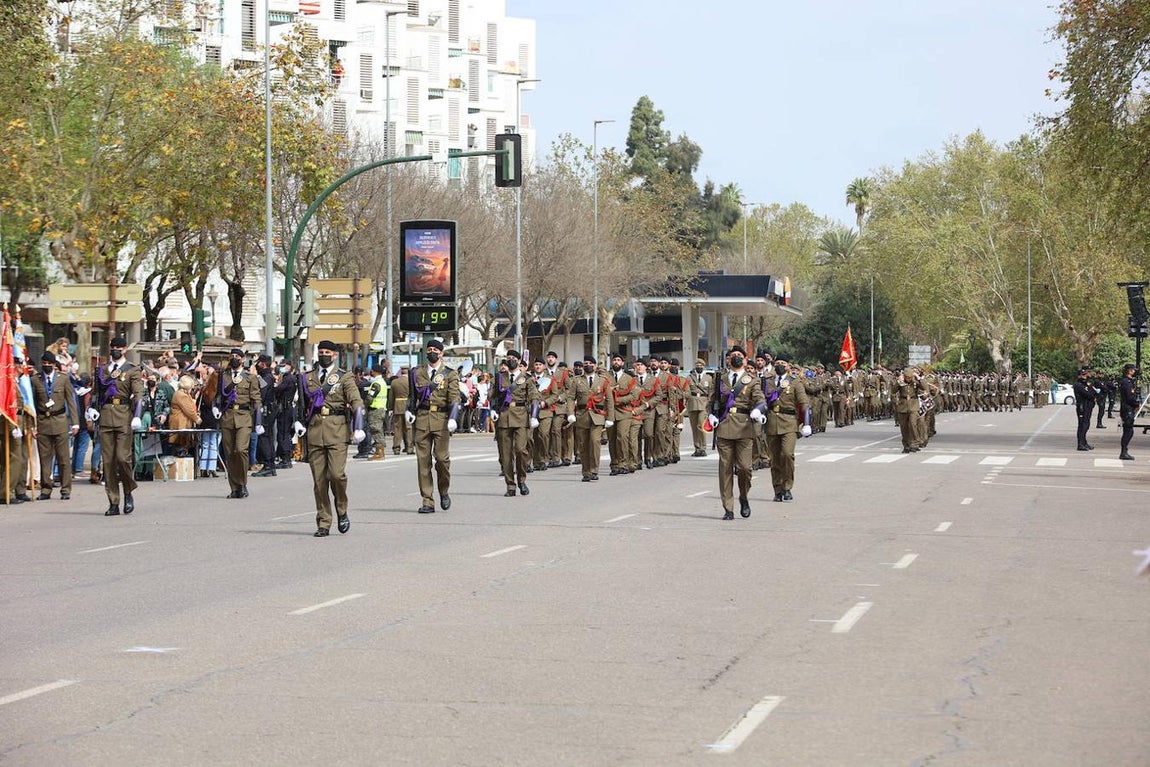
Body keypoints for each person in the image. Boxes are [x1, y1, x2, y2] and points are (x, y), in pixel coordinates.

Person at [293, 339, 366, 536]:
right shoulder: (307, 377)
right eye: (321, 351)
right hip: (315, 430)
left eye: (327, 352)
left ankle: (341, 509)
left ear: (335, 355)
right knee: (319, 481)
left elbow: (356, 401)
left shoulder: (344, 377)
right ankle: (324, 521)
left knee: (336, 475)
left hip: (337, 430)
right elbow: (300, 403)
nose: (323, 355)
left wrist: (358, 426)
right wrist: (297, 421)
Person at [707, 345, 768, 519]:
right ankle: (728, 507)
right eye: (732, 355)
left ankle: (743, 496)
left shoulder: (752, 379)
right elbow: (712, 400)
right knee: (725, 469)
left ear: (745, 359)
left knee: (745, 469)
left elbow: (760, 400)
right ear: (728, 359)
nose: (736, 357)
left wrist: (758, 410)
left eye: (739, 355)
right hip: (725, 426)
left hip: (744, 427)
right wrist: (711, 415)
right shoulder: (720, 379)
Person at [89, 337, 144, 516]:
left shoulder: (132, 369)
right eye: (113, 347)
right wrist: (91, 409)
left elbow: (138, 395)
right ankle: (113, 501)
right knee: (108, 463)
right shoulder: (102, 369)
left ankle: (128, 491)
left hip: (123, 416)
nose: (115, 350)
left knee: (122, 458)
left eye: (119, 348)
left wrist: (137, 415)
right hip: (105, 416)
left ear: (125, 349)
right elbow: (96, 393)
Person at [405, 339, 459, 513]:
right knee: (423, 462)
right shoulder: (416, 372)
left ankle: (444, 491)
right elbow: (412, 396)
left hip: (442, 420)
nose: (432, 352)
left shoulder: (449, 373)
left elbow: (455, 397)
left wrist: (453, 417)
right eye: (429, 349)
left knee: (442, 460)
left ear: (441, 353)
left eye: (436, 350)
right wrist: (409, 410)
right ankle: (427, 500)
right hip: (422, 420)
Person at [31, 352, 80, 500]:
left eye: (49, 364)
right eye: (44, 363)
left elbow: (71, 401)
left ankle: (66, 489)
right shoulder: (35, 380)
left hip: (60, 422)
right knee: (45, 458)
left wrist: (75, 422)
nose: (46, 366)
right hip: (43, 421)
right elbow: (31, 404)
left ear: (54, 365)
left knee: (63, 458)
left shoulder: (63, 379)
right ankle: (46, 489)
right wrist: (33, 426)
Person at [491, 350, 540, 496]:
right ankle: (510, 486)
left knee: (520, 450)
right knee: (505, 454)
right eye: (508, 358)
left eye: (513, 358)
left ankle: (521, 479)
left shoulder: (527, 378)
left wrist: (534, 416)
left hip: (520, 417)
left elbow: (534, 397)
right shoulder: (500, 377)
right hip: (504, 417)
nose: (510, 360)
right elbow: (493, 395)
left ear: (519, 361)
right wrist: (493, 409)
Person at [763, 356, 811, 503]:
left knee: (787, 455)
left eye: (782, 364)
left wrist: (807, 423)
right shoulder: (767, 382)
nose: (779, 366)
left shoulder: (795, 382)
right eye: (777, 364)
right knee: (775, 459)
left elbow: (804, 403)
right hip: (771, 422)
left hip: (789, 423)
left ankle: (787, 486)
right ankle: (777, 489)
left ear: (788, 366)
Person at [215, 348, 262, 497]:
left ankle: (242, 483)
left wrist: (257, 420)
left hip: (244, 417)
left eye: (237, 356)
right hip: (227, 417)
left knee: (241, 450)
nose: (234, 358)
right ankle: (234, 488)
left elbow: (256, 400)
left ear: (242, 359)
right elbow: (218, 396)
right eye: (231, 356)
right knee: (230, 454)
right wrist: (216, 408)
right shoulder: (224, 375)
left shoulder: (250, 377)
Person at [572, 354, 614, 482]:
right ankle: (586, 472)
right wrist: (570, 414)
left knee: (595, 442)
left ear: (595, 366)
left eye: (591, 363)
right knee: (583, 445)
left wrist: (610, 417)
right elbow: (570, 398)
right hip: (582, 415)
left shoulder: (603, 380)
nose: (588, 365)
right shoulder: (576, 380)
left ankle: (594, 470)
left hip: (597, 415)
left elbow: (609, 400)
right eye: (586, 363)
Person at [168, 375, 202, 456]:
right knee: (180, 447)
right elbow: (188, 410)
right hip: (180, 423)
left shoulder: (184, 394)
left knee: (182, 447)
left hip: (183, 423)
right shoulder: (181, 395)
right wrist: (197, 419)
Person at [686, 358, 712, 457]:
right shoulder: (689, 378)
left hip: (703, 403)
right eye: (697, 365)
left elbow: (710, 392)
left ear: (703, 366)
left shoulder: (708, 378)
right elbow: (687, 391)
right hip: (692, 402)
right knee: (694, 427)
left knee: (701, 425)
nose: (699, 366)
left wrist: (709, 403)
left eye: (701, 365)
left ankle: (703, 447)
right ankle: (697, 448)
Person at [364, 363, 389, 461]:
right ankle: (379, 450)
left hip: (375, 409)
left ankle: (380, 452)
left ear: (374, 371)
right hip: (381, 408)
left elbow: (370, 397)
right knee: (378, 429)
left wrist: (364, 404)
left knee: (376, 429)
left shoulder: (376, 383)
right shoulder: (382, 381)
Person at [1119, 363, 1140, 461]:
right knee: (1128, 431)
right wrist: (1136, 404)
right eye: (1133, 370)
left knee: (1129, 431)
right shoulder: (1126, 382)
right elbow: (1129, 397)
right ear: (1129, 371)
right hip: (1127, 409)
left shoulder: (1129, 382)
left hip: (1128, 408)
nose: (1134, 371)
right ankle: (1123, 452)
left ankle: (1124, 451)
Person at [1072, 367, 1096, 451]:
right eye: (1083, 375)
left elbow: (1093, 391)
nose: (1085, 376)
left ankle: (1084, 442)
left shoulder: (1085, 384)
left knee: (1086, 425)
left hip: (1087, 406)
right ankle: (1080, 444)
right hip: (1082, 407)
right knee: (1082, 426)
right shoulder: (1078, 385)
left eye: (1086, 374)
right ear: (1079, 376)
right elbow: (1087, 394)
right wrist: (1092, 395)